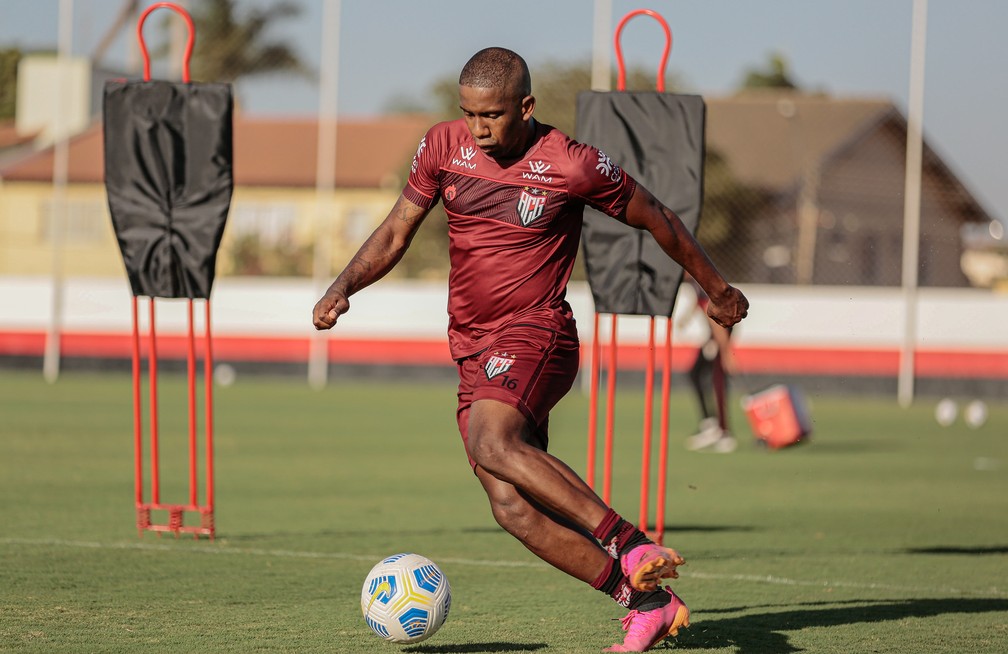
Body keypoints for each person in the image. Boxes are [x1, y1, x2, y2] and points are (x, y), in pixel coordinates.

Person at [313, 47, 749, 652]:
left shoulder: (569, 163)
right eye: (468, 114)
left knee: (492, 441)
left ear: (526, 107)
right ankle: (645, 602)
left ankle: (630, 544)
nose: (478, 129)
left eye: (490, 115)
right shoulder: (443, 147)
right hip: (472, 348)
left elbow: (658, 217)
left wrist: (717, 289)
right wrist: (342, 287)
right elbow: (394, 231)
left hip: (536, 331)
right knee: (511, 507)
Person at [681, 273, 738, 453]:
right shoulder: (695, 283)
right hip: (713, 336)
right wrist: (686, 317)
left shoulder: (703, 280)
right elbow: (697, 302)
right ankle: (710, 424)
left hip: (720, 333)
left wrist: (726, 351)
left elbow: (717, 323)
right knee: (695, 374)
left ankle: (724, 432)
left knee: (718, 382)